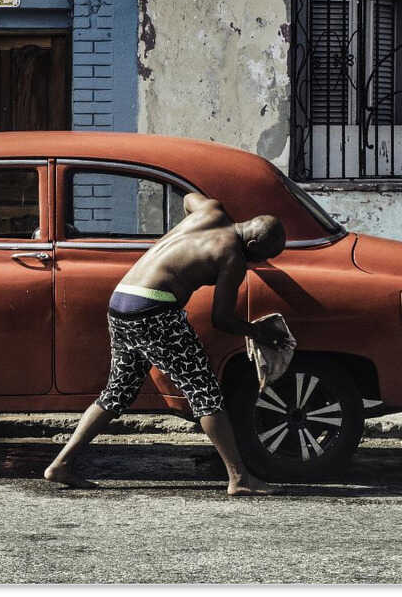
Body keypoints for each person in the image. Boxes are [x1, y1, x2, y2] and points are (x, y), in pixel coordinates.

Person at [44, 192, 290, 496]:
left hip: (122, 300)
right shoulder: (233, 257)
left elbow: (188, 197)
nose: (258, 262)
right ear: (252, 246)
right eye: (260, 257)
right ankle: (239, 478)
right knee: (205, 393)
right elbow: (221, 319)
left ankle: (61, 464)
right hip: (154, 311)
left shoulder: (211, 210)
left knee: (117, 393)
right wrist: (257, 332)